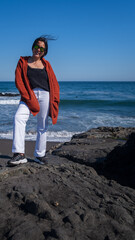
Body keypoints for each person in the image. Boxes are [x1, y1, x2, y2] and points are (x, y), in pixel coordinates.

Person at [8, 36, 60, 166]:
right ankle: (19, 154)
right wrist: (28, 97)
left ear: (45, 51)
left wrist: (55, 99)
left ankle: (39, 155)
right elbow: (19, 81)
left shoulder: (47, 64)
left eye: (42, 48)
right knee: (18, 118)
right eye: (37, 46)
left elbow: (53, 83)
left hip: (45, 95)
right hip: (29, 95)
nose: (38, 50)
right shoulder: (23, 62)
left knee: (42, 126)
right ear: (32, 47)